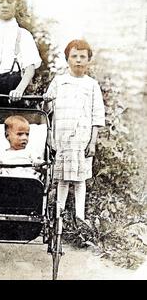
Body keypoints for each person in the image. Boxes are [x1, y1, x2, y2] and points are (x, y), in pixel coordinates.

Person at [43, 39, 105, 224]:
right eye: (74, 56)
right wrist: (46, 101)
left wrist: (92, 142)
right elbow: (46, 111)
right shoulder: (59, 81)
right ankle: (59, 216)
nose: (78, 60)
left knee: (80, 179)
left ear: (88, 60)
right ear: (67, 59)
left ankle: (80, 218)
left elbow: (97, 115)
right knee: (62, 178)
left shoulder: (92, 85)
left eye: (82, 57)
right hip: (61, 137)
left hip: (82, 139)